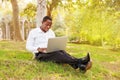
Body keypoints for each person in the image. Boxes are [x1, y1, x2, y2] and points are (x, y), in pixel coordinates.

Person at [26, 16, 92, 73]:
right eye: (47, 24)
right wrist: (38, 49)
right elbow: (28, 46)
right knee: (58, 54)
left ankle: (79, 65)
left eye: (50, 25)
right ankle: (81, 61)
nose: (48, 27)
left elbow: (54, 43)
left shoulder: (51, 32)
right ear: (42, 22)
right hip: (40, 55)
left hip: (50, 51)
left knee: (62, 52)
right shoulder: (33, 32)